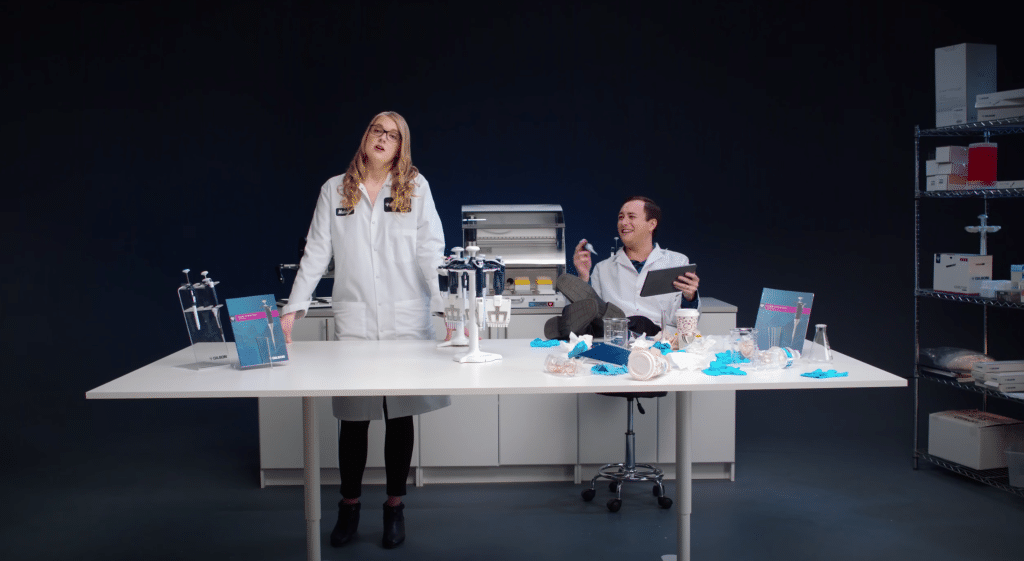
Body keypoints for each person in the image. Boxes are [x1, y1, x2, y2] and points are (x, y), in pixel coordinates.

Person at [279, 111, 450, 550]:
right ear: (366, 136)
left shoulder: (415, 187)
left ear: (400, 147)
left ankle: (394, 507)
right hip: (355, 321)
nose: (383, 138)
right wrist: (293, 308)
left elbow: (431, 252)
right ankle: (349, 506)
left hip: (405, 319)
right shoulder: (335, 189)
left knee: (399, 415)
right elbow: (317, 251)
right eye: (377, 130)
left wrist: (448, 309)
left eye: (393, 135)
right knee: (353, 419)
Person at [545, 195, 700, 339]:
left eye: (631, 216)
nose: (623, 222)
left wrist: (689, 298)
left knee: (639, 322)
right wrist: (583, 277)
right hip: (615, 338)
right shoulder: (602, 268)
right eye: (621, 217)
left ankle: (577, 329)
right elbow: (584, 312)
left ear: (652, 224)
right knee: (599, 317)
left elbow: (685, 321)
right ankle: (595, 327)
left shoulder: (677, 262)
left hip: (657, 336)